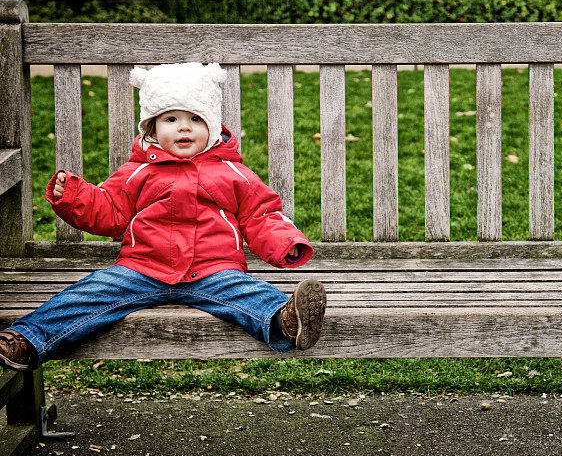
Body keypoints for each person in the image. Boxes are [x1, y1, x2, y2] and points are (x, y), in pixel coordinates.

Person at [0, 62, 326, 372]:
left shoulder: (232, 173)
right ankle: (28, 339)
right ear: (152, 127)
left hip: (213, 270)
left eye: (196, 119)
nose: (184, 127)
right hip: (141, 268)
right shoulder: (138, 172)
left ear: (212, 126)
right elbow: (111, 210)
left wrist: (284, 242)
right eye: (171, 119)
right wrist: (75, 197)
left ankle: (285, 320)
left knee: (247, 294)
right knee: (89, 294)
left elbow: (261, 212)